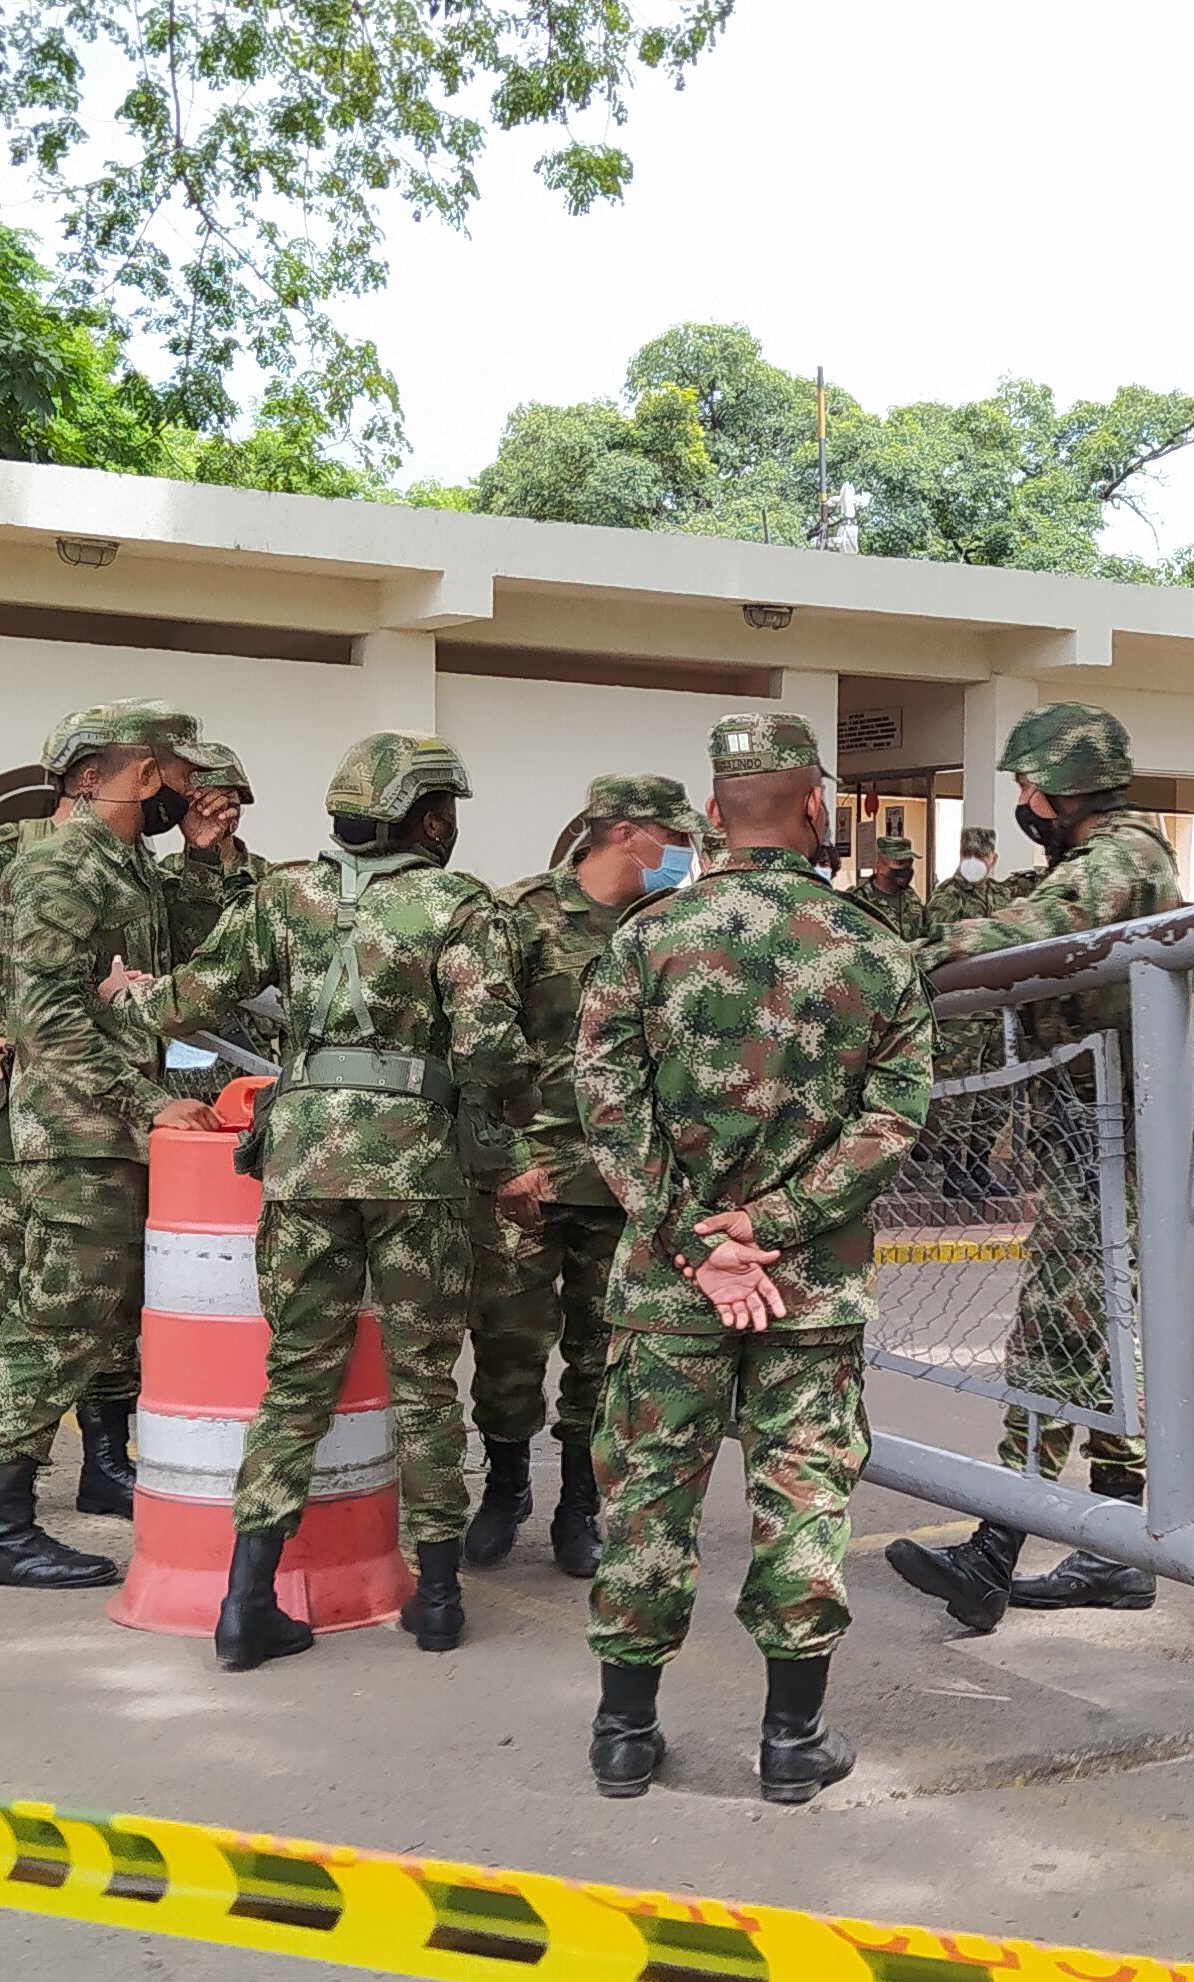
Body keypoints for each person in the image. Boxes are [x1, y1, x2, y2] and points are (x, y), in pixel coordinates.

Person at [110, 731, 527, 1671]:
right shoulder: (456, 906)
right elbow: (493, 1046)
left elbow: (191, 1000)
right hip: (415, 1165)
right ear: (425, 817)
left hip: (300, 1161)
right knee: (424, 1381)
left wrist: (115, 1008)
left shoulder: (284, 893)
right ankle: (440, 1599)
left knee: (297, 1375)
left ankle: (245, 1603)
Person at [578, 714, 931, 1803]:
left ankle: (624, 1735)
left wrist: (695, 1235)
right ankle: (790, 1742)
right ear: (815, 809)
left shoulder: (644, 938)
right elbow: (894, 1113)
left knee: (645, 1494)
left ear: (713, 812)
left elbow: (602, 1095)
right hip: (807, 1286)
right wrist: (771, 1226)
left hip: (669, 1287)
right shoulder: (876, 948)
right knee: (802, 1494)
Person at [0, 709, 258, 1533]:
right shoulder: (43, 862)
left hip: (99, 1119)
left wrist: (203, 856)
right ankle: (2, 1511)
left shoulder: (128, 866)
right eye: (174, 771)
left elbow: (196, 960)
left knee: (89, 1310)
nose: (186, 788)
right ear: (125, 774)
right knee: (47, 1311)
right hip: (58, 1124)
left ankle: (64, 1476)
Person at [881, 702, 1185, 1630]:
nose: (1021, 801)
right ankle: (1116, 1547)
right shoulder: (1108, 858)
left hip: (1111, 1142)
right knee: (1107, 1333)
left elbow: (1029, 930)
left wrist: (897, 961)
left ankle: (996, 1547)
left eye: (1027, 784)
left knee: (1057, 1330)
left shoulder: (1123, 860)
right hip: (1092, 1133)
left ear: (1065, 783)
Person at [463, 774, 704, 1578]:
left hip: (622, 1179)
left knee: (603, 1357)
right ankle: (503, 1488)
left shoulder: (674, 925)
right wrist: (505, 1159)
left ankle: (578, 1503)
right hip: (527, 1178)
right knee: (506, 1346)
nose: (686, 857)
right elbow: (477, 1043)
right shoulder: (520, 914)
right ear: (630, 834)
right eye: (678, 840)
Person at [921, 824, 1014, 1197]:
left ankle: (979, 1161)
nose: (975, 863)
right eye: (968, 856)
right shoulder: (945, 897)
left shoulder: (1004, 896)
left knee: (995, 1095)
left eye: (981, 856)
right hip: (962, 1016)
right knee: (958, 1096)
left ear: (993, 859)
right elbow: (940, 939)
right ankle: (952, 1168)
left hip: (997, 1012)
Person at [856, 832, 932, 941]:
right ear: (880, 865)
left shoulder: (913, 900)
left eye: (909, 863)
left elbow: (925, 936)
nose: (906, 868)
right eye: (899, 863)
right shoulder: (860, 900)